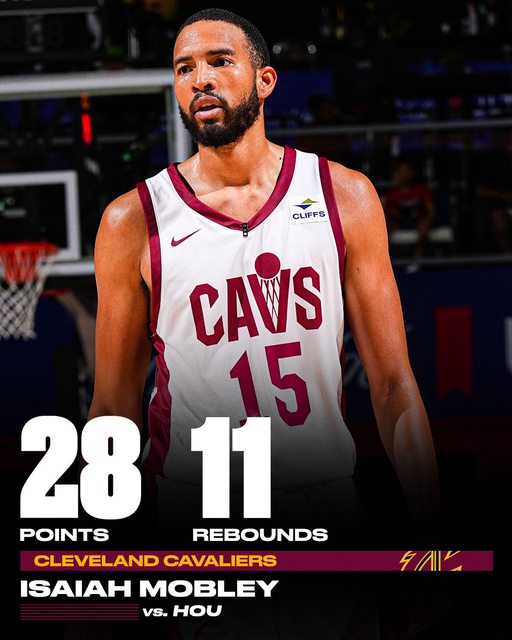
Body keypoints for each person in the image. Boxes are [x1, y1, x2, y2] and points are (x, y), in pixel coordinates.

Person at [88, 8, 441, 638]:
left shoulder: (344, 196)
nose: (200, 79)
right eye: (184, 69)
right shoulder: (131, 221)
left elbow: (393, 386)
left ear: (266, 80)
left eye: (219, 62)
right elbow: (113, 407)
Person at [384, 159, 436, 259]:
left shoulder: (421, 190)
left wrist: (426, 220)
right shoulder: (392, 194)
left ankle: (418, 261)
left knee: (424, 226)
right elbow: (385, 214)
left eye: (406, 171)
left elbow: (431, 211)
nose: (403, 174)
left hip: (417, 222)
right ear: (396, 174)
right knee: (384, 229)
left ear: (412, 173)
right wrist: (392, 214)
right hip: (398, 223)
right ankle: (388, 261)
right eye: (401, 171)